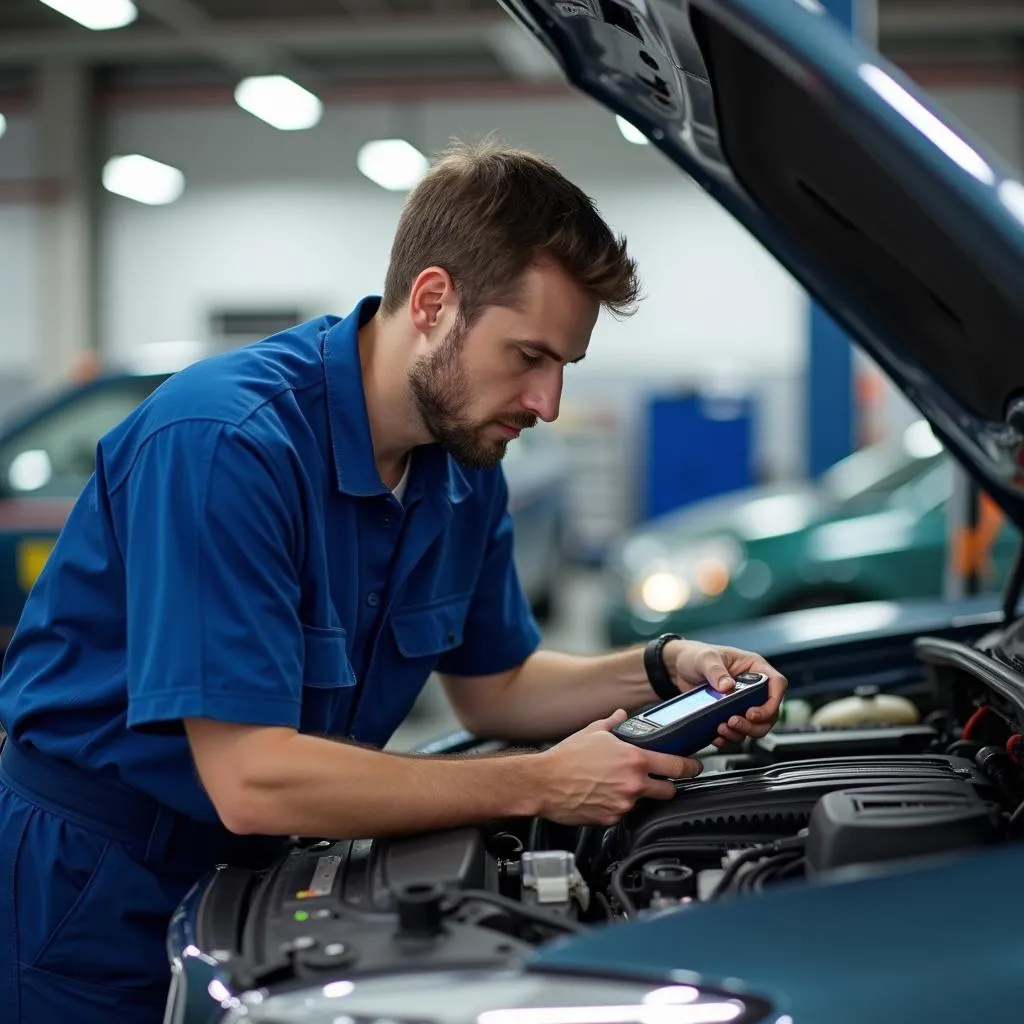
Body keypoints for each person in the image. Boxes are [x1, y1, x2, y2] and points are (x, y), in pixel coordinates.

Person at [0, 138, 787, 1023]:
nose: (549, 402)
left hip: (266, 867)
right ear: (434, 300)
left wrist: (666, 666)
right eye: (529, 356)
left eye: (565, 365)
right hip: (100, 894)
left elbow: (496, 689)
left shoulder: (463, 465)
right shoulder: (227, 445)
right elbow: (253, 777)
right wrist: (541, 782)